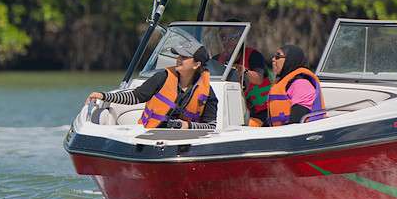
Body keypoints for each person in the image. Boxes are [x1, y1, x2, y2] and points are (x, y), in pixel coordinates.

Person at [87, 41, 219, 128]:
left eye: (184, 58)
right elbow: (135, 96)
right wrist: (103, 96)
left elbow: (211, 126)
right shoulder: (162, 77)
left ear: (197, 64)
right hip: (151, 135)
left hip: (185, 142)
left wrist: (187, 126)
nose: (178, 60)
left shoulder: (208, 92)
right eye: (178, 56)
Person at [264, 44, 326, 126]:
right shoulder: (284, 83)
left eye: (278, 57)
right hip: (279, 132)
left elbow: (297, 120)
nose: (273, 60)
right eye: (274, 56)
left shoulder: (302, 85)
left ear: (291, 59)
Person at [231, 47, 272, 126]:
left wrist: (244, 71)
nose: (225, 41)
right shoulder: (219, 59)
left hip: (264, 110)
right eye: (223, 37)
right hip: (243, 111)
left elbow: (259, 79)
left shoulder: (254, 55)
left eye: (231, 38)